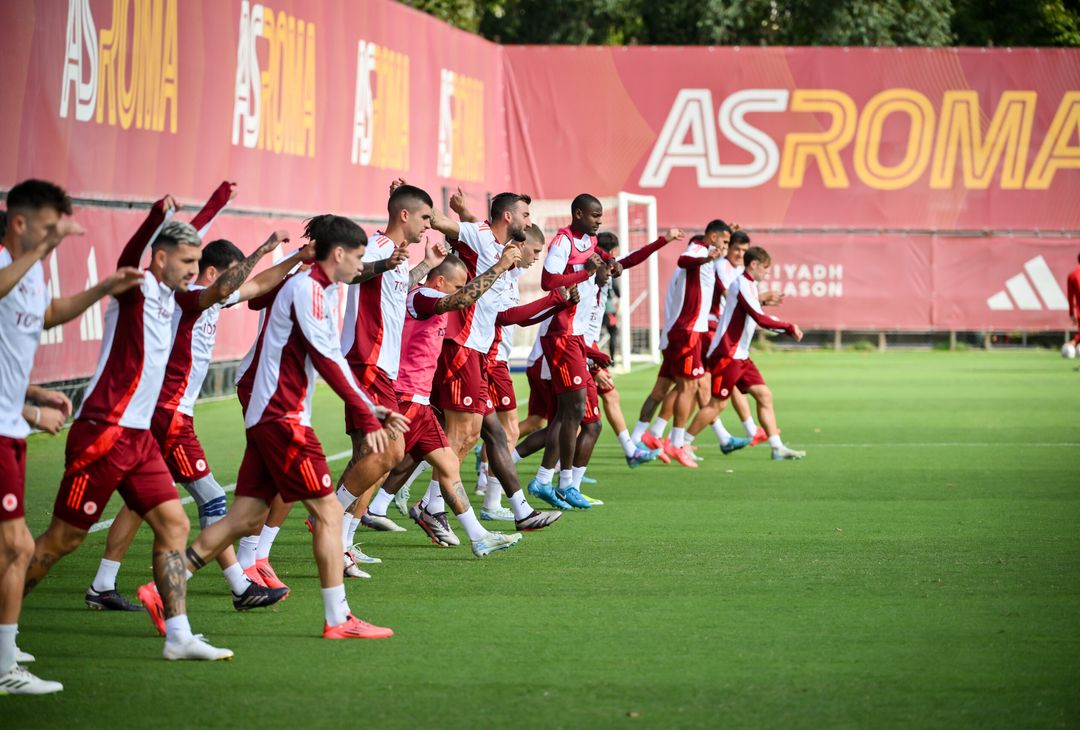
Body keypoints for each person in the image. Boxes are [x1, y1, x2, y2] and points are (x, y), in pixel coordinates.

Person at [154, 214, 408, 640]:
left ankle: (160, 588)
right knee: (328, 513)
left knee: (241, 517)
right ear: (340, 254)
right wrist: (366, 412)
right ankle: (338, 619)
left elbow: (328, 357)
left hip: (271, 417)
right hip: (282, 419)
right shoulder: (307, 287)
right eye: (360, 257)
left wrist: (370, 408)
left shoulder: (320, 288)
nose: (362, 266)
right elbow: (326, 359)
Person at [24, 192, 234, 661]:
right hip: (103, 432)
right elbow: (132, 253)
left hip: (139, 439)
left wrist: (216, 203)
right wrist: (156, 215)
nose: (193, 269)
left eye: (197, 261)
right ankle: (4, 627)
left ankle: (178, 637)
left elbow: (186, 240)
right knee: (65, 538)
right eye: (185, 261)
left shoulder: (176, 299)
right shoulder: (134, 286)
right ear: (158, 258)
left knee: (175, 524)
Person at [86, 213, 306, 612]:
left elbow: (256, 284)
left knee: (139, 503)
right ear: (210, 272)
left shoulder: (210, 299)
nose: (235, 284)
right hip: (171, 415)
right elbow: (235, 283)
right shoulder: (188, 297)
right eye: (229, 275)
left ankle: (102, 584)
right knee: (212, 500)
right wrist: (265, 248)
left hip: (166, 412)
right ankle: (240, 586)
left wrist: (292, 259)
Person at [0, 179, 143, 691]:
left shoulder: (31, 271)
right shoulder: (5, 260)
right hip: (5, 428)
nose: (53, 238)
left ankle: (5, 648)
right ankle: (3, 666)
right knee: (17, 547)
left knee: (13, 548)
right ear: (19, 224)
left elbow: (48, 315)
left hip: (11, 425)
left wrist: (105, 287)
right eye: (45, 227)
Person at [529, 194, 614, 510]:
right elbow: (548, 280)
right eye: (594, 216)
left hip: (576, 337)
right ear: (578, 214)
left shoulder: (590, 240)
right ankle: (561, 483)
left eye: (600, 216)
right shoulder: (563, 241)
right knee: (572, 412)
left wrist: (607, 263)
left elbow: (600, 261)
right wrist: (584, 272)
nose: (598, 221)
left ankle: (546, 480)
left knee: (570, 415)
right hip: (561, 336)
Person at [687, 244, 806, 460]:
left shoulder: (751, 287)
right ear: (754, 265)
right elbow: (760, 318)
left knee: (764, 395)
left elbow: (760, 317)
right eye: (765, 268)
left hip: (741, 355)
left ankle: (777, 447)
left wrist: (783, 326)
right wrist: (788, 327)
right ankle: (682, 444)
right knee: (717, 404)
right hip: (727, 354)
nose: (767, 273)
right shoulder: (741, 284)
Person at [1068, 253, 1080, 347]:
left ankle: (1073, 343)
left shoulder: (1072, 275)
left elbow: (1070, 297)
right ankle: (1074, 342)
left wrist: (1071, 313)